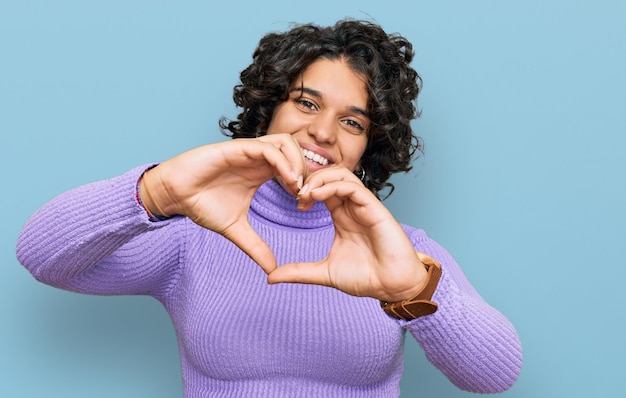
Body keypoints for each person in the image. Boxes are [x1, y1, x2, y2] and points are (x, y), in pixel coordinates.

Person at [16, 19, 522, 397]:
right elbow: (41, 255)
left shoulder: (401, 250)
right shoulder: (192, 234)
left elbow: (495, 374)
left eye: (352, 122)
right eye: (306, 103)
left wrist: (413, 290)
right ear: (269, 109)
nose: (322, 132)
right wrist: (160, 191)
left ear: (370, 144)